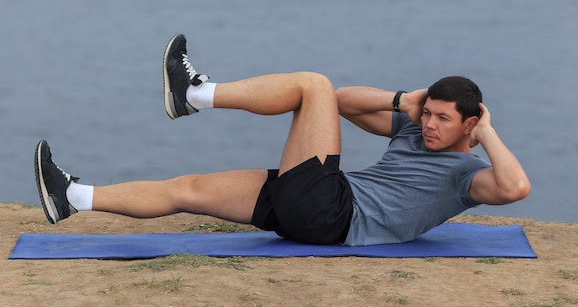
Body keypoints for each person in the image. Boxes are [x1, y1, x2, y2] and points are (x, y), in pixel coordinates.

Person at [34, 34, 530, 246]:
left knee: (309, 84)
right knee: (189, 187)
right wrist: (405, 99)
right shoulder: (415, 131)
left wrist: (486, 131)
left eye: (444, 119)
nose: (431, 125)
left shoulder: (467, 176)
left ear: (469, 124)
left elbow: (515, 189)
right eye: (430, 114)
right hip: (317, 211)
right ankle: (73, 198)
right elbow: (346, 102)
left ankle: (194, 96)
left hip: (335, 213)